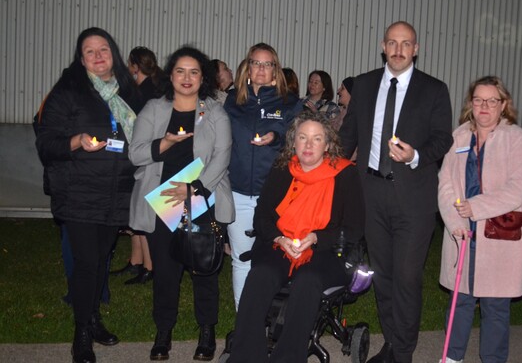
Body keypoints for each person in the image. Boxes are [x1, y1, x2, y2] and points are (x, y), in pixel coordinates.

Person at [340, 21, 453, 363]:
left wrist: (415, 155)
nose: (398, 50)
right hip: (371, 194)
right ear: (383, 46)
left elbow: (443, 139)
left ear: (416, 49)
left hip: (413, 198)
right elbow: (348, 137)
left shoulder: (433, 89)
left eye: (406, 44)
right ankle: (391, 343)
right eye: (392, 43)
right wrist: (326, 173)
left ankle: (403, 352)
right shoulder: (364, 84)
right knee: (384, 276)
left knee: (406, 277)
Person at [35, 27, 140, 363]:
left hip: (116, 193)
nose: (98, 56)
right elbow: (46, 142)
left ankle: (93, 318)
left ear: (114, 54)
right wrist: (76, 141)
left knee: (101, 260)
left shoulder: (128, 92)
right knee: (86, 263)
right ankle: (81, 334)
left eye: (103, 49)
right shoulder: (69, 90)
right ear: (81, 59)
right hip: (79, 192)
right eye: (89, 51)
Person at [228, 111, 365, 363]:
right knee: (260, 275)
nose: (308, 145)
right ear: (294, 141)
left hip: (326, 250)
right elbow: (262, 217)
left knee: (308, 280)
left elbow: (354, 228)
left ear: (328, 144)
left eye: (316, 138)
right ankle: (245, 356)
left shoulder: (345, 174)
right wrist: (279, 238)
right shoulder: (282, 169)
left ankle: (288, 357)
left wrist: (315, 238)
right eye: (303, 137)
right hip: (282, 244)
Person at [128, 46, 235, 361]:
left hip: (201, 197)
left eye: (194, 71)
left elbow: (222, 155)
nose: (187, 78)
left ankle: (207, 332)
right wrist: (164, 142)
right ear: (170, 75)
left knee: (204, 270)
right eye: (180, 71)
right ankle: (163, 332)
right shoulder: (153, 108)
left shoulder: (214, 111)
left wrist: (195, 188)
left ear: (203, 77)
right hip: (162, 199)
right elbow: (135, 153)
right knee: (165, 272)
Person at [437, 76, 522, 363]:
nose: (484, 106)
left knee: (495, 306)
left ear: (503, 105)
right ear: (471, 103)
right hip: (463, 230)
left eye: (492, 101)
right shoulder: (458, 137)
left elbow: (517, 188)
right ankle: (451, 358)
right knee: (460, 301)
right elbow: (446, 183)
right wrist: (454, 220)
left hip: (499, 234)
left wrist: (475, 207)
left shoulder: (517, 139)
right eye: (479, 99)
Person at [224, 43, 302, 309]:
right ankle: (244, 318)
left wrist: (276, 138)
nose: (260, 68)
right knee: (242, 258)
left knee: (274, 260)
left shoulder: (289, 103)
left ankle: (272, 315)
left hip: (276, 196)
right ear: (247, 68)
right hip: (238, 192)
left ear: (275, 70)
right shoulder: (232, 101)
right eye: (255, 63)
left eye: (267, 64)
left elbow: (301, 143)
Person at [111, 46, 165, 285]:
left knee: (143, 214)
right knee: (135, 211)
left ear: (134, 65)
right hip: (141, 154)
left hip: (143, 157)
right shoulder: (147, 89)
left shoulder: (145, 93)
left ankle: (149, 266)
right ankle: (136, 260)